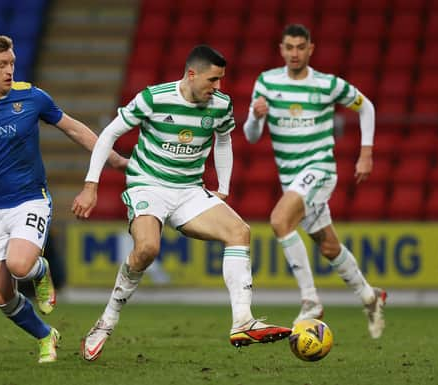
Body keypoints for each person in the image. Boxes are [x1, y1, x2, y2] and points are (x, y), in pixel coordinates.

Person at [72, 44, 292, 362]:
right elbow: (108, 135)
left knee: (239, 232)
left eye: (221, 81)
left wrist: (224, 188)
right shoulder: (153, 98)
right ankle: (106, 322)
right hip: (148, 184)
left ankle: (243, 321)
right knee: (147, 249)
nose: (218, 87)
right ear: (192, 74)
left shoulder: (220, 104)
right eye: (213, 80)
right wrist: (91, 185)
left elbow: (225, 139)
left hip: (189, 189)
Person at [0, 35, 127, 363]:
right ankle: (46, 335)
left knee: (19, 265)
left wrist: (114, 160)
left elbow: (73, 129)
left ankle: (38, 269)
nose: (9, 70)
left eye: (12, 63)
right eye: (2, 65)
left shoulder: (32, 97)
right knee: (0, 296)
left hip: (30, 200)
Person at [243, 24, 387, 338]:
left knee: (280, 220)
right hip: (291, 178)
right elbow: (251, 137)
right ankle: (369, 295)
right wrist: (255, 117)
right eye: (289, 47)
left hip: (319, 168)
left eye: (300, 47)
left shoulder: (327, 84)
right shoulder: (266, 82)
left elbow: (367, 107)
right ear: (281, 49)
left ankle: (310, 300)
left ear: (311, 49)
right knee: (329, 246)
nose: (294, 53)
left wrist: (366, 153)